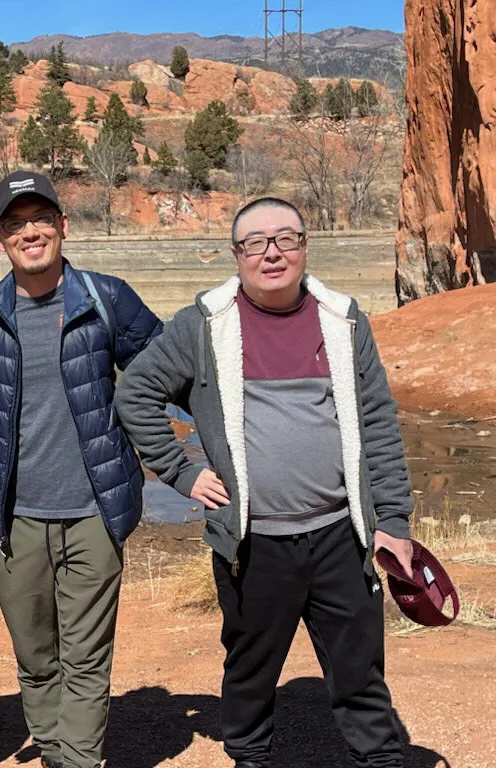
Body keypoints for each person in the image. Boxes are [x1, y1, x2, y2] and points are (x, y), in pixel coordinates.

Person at [115, 197, 414, 768]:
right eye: (255, 242)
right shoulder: (203, 325)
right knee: (250, 674)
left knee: (360, 676)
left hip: (339, 536)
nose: (271, 252)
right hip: (253, 544)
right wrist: (181, 471)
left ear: (305, 247)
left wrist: (393, 522)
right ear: (237, 255)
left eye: (286, 238)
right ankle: (251, 758)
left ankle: (381, 760)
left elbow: (377, 423)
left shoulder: (345, 321)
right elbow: (136, 392)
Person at [0, 171, 163, 768]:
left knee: (86, 656)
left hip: (94, 511)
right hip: (14, 517)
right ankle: (55, 749)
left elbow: (162, 371)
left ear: (63, 226)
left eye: (41, 219)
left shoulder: (106, 298)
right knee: (36, 655)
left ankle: (76, 759)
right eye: (16, 224)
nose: (31, 233)